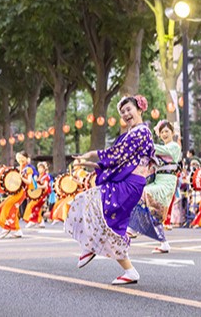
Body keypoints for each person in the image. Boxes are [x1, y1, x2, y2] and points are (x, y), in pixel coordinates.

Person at [65, 95, 155, 285]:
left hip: (130, 183)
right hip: (127, 181)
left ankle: (90, 246)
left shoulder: (142, 132)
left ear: (140, 109)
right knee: (111, 225)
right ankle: (129, 271)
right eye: (122, 112)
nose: (125, 114)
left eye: (128, 109)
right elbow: (118, 157)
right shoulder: (131, 134)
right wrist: (92, 163)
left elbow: (117, 154)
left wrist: (92, 155)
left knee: (93, 203)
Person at [128, 120, 180, 253]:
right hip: (158, 180)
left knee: (144, 192)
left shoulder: (174, 147)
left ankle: (134, 228)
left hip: (167, 181)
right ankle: (164, 243)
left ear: (172, 133)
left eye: (167, 131)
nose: (164, 134)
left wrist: (147, 144)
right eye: (162, 132)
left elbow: (163, 151)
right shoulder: (158, 149)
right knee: (154, 213)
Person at [0, 152, 30, 239]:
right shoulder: (20, 168)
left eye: (22, 157)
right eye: (18, 157)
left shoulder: (28, 168)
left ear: (26, 158)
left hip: (21, 192)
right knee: (5, 207)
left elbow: (29, 182)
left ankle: (7, 227)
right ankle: (17, 230)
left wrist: (21, 177)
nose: (20, 159)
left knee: (7, 207)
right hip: (16, 192)